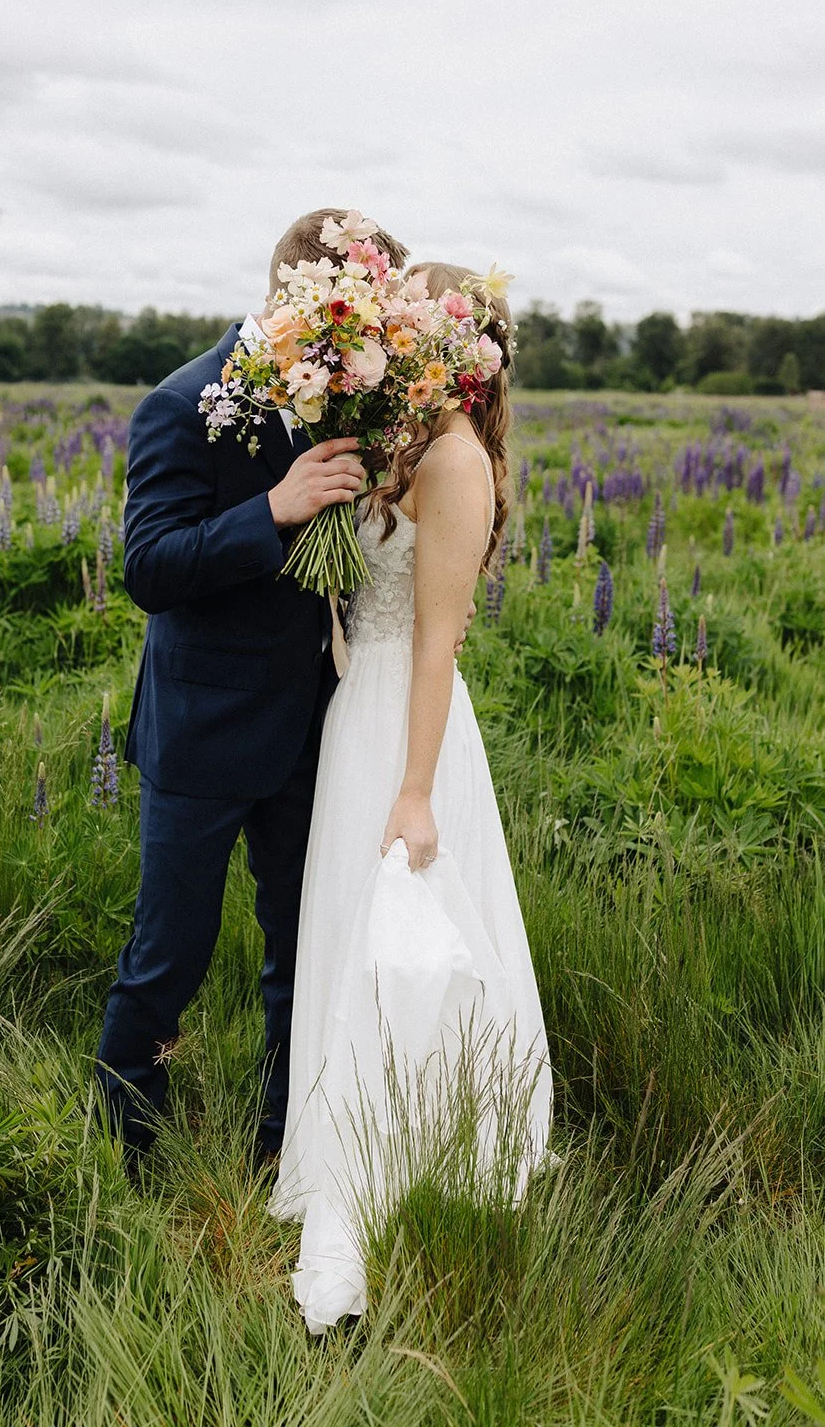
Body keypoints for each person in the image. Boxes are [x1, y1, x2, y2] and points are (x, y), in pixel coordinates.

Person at [268, 261, 554, 1334]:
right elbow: (361, 608)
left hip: (412, 736)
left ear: (451, 353)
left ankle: (418, 1155)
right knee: (349, 937)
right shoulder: (394, 447)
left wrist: (417, 791)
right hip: (362, 719)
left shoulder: (455, 462)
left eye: (407, 332)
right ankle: (349, 1134)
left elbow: (438, 640)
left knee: (407, 942)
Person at [94, 210, 408, 1167]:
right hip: (200, 732)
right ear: (297, 300)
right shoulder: (181, 403)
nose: (369, 342)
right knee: (167, 957)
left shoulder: (342, 401)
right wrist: (271, 510)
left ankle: (283, 1143)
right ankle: (126, 1145)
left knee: (299, 951)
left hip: (311, 727)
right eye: (359, 319)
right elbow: (147, 568)